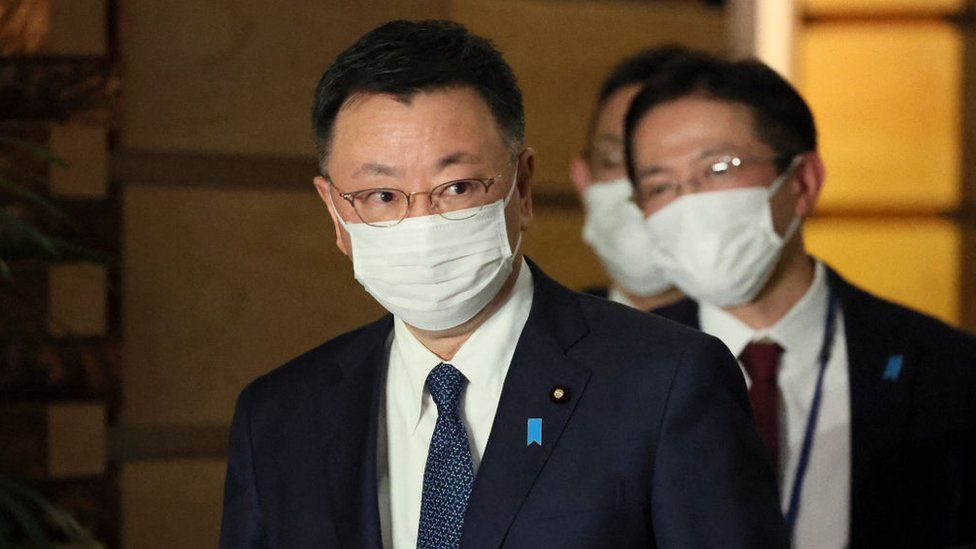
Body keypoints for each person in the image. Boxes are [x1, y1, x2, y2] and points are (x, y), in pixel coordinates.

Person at [219, 20, 788, 549]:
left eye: (458, 187)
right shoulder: (280, 416)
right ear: (335, 213)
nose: (423, 222)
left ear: (522, 189)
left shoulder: (666, 382)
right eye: (382, 197)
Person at [623, 52, 976, 548]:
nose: (688, 204)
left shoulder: (944, 370)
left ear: (803, 182)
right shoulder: (618, 369)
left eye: (719, 168)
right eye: (660, 185)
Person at [569, 46, 695, 325]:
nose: (634, 192)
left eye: (657, 167)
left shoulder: (755, 352)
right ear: (582, 179)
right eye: (612, 160)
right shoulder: (548, 335)